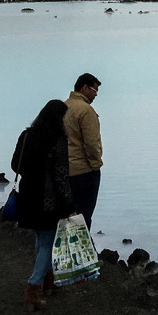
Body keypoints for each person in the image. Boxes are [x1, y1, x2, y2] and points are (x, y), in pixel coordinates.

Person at [13, 99, 76, 313]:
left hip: (28, 195)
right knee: (47, 244)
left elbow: (15, 165)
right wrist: (69, 204)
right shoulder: (58, 140)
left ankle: (48, 283)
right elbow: (61, 176)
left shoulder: (27, 134)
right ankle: (32, 289)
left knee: (41, 240)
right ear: (58, 118)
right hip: (48, 200)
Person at [64, 73, 103, 230]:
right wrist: (96, 165)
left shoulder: (63, 107)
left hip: (65, 171)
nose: (95, 95)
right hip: (84, 171)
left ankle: (66, 249)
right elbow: (91, 143)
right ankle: (83, 251)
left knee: (70, 215)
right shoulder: (86, 110)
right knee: (84, 217)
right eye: (94, 90)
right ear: (85, 88)